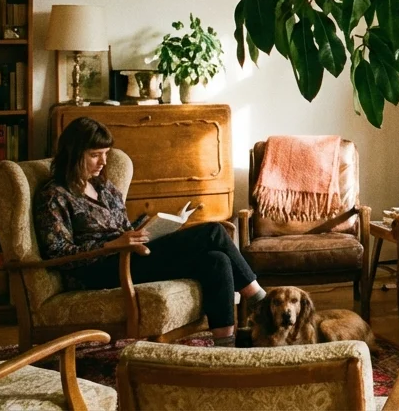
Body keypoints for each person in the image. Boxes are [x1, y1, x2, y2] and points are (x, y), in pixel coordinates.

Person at [34, 116, 265, 347]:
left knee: (217, 260)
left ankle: (225, 346)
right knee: (213, 231)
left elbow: (123, 230)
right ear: (73, 154)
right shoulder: (55, 196)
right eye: (95, 155)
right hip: (98, 269)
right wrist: (109, 246)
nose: (103, 162)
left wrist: (151, 227)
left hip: (130, 255)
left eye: (105, 153)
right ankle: (261, 302)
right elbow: (58, 253)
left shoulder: (103, 187)